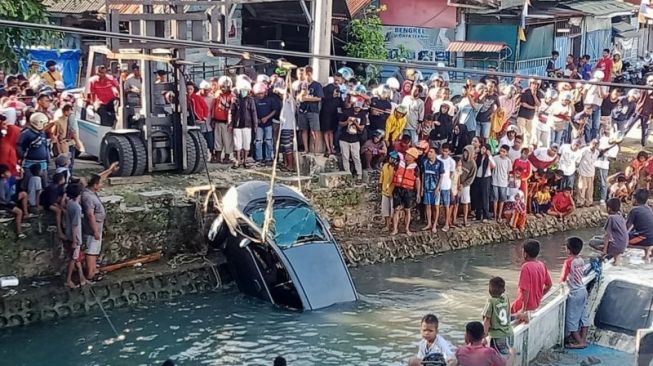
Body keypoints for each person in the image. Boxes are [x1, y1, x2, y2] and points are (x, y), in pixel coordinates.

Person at [82, 163, 118, 281]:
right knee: (91, 251)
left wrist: (110, 170)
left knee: (94, 250)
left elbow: (99, 177)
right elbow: (90, 215)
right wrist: (95, 230)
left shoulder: (90, 191)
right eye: (100, 184)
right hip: (93, 228)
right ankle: (90, 273)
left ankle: (93, 271)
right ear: (95, 185)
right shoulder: (88, 197)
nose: (102, 185)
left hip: (97, 226)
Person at [511, 240, 553, 322]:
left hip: (523, 305)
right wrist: (539, 296)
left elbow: (525, 290)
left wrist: (523, 308)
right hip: (535, 305)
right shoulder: (541, 265)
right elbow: (549, 285)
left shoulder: (526, 267)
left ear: (525, 253)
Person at [560, 237, 589, 349]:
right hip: (583, 290)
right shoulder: (581, 260)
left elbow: (562, 278)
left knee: (571, 320)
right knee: (583, 316)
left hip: (575, 293)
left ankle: (580, 342)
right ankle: (583, 339)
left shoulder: (568, 261)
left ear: (568, 250)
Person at [64, 183, 89, 288]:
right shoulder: (77, 208)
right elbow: (75, 225)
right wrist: (75, 241)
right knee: (73, 259)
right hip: (75, 237)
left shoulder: (69, 203)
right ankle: (68, 280)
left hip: (69, 234)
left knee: (76, 257)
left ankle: (81, 277)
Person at [392, 147, 421, 236]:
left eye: (408, 155)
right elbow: (393, 173)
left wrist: (418, 193)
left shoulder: (415, 167)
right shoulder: (399, 163)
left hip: (408, 190)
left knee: (407, 210)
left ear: (413, 157)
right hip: (398, 188)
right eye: (406, 154)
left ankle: (407, 228)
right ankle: (395, 229)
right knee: (396, 209)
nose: (406, 156)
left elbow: (417, 180)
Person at [230, 81, 257, 169]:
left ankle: (245, 160)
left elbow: (253, 113)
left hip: (247, 125)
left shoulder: (250, 100)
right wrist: (231, 123)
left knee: (246, 144)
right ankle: (238, 161)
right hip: (237, 125)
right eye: (242, 90)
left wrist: (255, 125)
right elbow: (232, 112)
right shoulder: (235, 100)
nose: (243, 91)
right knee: (238, 144)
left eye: (245, 90)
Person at [482, 277, 513, 356]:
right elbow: (508, 314)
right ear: (503, 290)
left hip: (497, 336)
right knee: (508, 355)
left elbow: (487, 321)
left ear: (489, 290)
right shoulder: (506, 298)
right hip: (509, 333)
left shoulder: (491, 302)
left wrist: (484, 336)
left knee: (498, 357)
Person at [297, 66, 324, 154]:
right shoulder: (301, 84)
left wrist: (307, 99)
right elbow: (298, 97)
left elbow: (319, 98)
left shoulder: (317, 85)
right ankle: (306, 149)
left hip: (313, 110)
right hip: (302, 110)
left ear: (309, 74)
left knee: (315, 130)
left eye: (304, 74)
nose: (303, 76)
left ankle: (316, 150)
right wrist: (302, 96)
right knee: (303, 130)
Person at [339, 101, 367, 182]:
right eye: (356, 107)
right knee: (345, 157)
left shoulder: (362, 115)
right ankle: (347, 173)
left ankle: (359, 174)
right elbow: (340, 123)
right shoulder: (347, 112)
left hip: (355, 139)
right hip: (344, 138)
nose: (357, 108)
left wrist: (355, 122)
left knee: (356, 157)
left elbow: (362, 128)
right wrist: (347, 122)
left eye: (358, 107)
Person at [623, 75, 653, 147]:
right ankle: (620, 138)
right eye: (649, 81)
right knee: (628, 125)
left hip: (647, 114)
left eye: (652, 81)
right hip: (638, 111)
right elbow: (636, 97)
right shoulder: (643, 89)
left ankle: (643, 144)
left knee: (644, 130)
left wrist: (651, 117)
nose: (651, 82)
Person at [421, 147, 444, 233]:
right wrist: (422, 187)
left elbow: (441, 176)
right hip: (427, 187)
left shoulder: (440, 163)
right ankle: (429, 223)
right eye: (429, 152)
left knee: (436, 207)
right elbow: (423, 174)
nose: (429, 153)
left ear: (435, 154)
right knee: (428, 206)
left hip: (435, 188)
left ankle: (435, 224)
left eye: (431, 152)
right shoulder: (425, 162)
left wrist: (438, 187)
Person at [253, 82, 277, 166]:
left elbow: (274, 110)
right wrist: (257, 119)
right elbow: (253, 111)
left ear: (265, 92)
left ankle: (268, 158)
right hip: (259, 125)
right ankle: (259, 158)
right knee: (258, 141)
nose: (260, 95)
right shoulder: (254, 101)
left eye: (261, 93)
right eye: (258, 94)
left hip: (268, 124)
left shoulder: (270, 100)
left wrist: (266, 117)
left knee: (269, 141)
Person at [0, 164, 26, 239]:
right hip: (4, 203)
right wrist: (10, 202)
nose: (9, 173)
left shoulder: (9, 179)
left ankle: (26, 214)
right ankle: (19, 232)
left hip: (10, 199)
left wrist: (21, 170)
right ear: (2, 175)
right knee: (19, 212)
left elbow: (20, 177)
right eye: (7, 172)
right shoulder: (1, 183)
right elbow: (2, 197)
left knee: (24, 194)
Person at [212, 76, 234, 163]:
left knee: (227, 140)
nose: (224, 88)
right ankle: (217, 157)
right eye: (222, 86)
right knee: (217, 140)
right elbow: (214, 107)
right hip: (217, 120)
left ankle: (227, 157)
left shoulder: (232, 96)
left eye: (226, 87)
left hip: (227, 122)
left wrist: (231, 122)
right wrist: (213, 118)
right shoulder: (217, 94)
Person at [321, 73, 344, 157]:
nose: (337, 81)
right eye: (336, 79)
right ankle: (328, 148)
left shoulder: (340, 89)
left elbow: (341, 102)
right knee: (326, 131)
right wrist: (332, 95)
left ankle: (332, 147)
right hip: (326, 112)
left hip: (335, 113)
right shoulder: (327, 88)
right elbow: (323, 98)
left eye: (338, 80)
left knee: (331, 131)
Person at [626, 189, 653, 260]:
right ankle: (647, 252)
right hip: (650, 237)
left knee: (622, 241)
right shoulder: (649, 209)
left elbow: (626, 228)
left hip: (645, 238)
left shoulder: (634, 210)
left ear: (635, 199)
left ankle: (646, 247)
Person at [40, 172, 66, 239]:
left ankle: (63, 225)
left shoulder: (60, 186)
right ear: (60, 180)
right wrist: (60, 207)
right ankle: (59, 230)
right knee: (59, 211)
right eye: (63, 178)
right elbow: (51, 201)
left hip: (53, 200)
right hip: (46, 203)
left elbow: (63, 194)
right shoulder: (53, 188)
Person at [473, 144, 495, 222]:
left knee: (485, 197)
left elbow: (493, 166)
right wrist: (475, 152)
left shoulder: (488, 158)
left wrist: (489, 156)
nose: (482, 150)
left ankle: (485, 215)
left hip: (485, 178)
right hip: (478, 178)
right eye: (481, 148)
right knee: (477, 196)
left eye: (484, 149)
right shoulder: (478, 157)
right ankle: (478, 215)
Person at [603, 198, 628, 265]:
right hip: (623, 245)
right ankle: (617, 260)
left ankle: (611, 256)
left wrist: (604, 251)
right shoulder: (621, 216)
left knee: (593, 242)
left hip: (616, 246)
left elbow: (607, 235)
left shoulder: (611, 218)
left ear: (609, 208)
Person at [576, 139, 599, 208]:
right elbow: (578, 159)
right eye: (593, 143)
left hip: (591, 172)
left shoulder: (597, 152)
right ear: (590, 143)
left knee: (590, 189)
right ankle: (580, 202)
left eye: (596, 144)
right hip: (583, 171)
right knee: (581, 188)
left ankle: (589, 202)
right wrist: (577, 168)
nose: (594, 145)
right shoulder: (584, 150)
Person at [517, 79, 541, 144]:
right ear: (530, 84)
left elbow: (538, 104)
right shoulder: (525, 91)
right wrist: (533, 107)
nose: (535, 85)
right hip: (522, 115)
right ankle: (519, 145)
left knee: (528, 133)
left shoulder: (538, 93)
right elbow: (524, 104)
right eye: (533, 83)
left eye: (536, 84)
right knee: (520, 132)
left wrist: (534, 95)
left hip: (531, 116)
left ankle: (526, 146)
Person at [438, 144, 456, 232]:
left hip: (446, 185)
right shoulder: (437, 158)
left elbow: (451, 174)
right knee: (436, 205)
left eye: (446, 151)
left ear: (449, 152)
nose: (444, 153)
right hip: (437, 185)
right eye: (443, 151)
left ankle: (446, 223)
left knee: (446, 205)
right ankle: (436, 222)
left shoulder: (451, 162)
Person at [491, 145, 511, 223]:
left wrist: (508, 181)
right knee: (495, 199)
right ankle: (495, 214)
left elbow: (508, 172)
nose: (501, 153)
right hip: (495, 181)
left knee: (502, 199)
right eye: (501, 151)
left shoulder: (508, 161)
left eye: (504, 151)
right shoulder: (495, 158)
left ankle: (499, 215)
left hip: (503, 183)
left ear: (507, 153)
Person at [379, 151, 399, 231]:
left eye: (393, 159)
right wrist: (380, 185)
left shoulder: (397, 168)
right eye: (391, 158)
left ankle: (393, 226)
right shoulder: (385, 166)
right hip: (385, 190)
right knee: (385, 210)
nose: (391, 159)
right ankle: (387, 225)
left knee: (392, 210)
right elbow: (382, 176)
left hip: (393, 191)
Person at [459, 145, 477, 227]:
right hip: (457, 183)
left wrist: (464, 184)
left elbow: (471, 178)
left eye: (467, 153)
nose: (465, 155)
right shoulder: (460, 159)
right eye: (464, 153)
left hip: (465, 185)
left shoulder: (473, 164)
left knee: (465, 202)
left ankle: (465, 220)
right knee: (455, 202)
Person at [0, 110, 21, 177]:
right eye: (4, 124)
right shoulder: (4, 142)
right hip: (5, 174)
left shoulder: (6, 139)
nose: (6, 127)